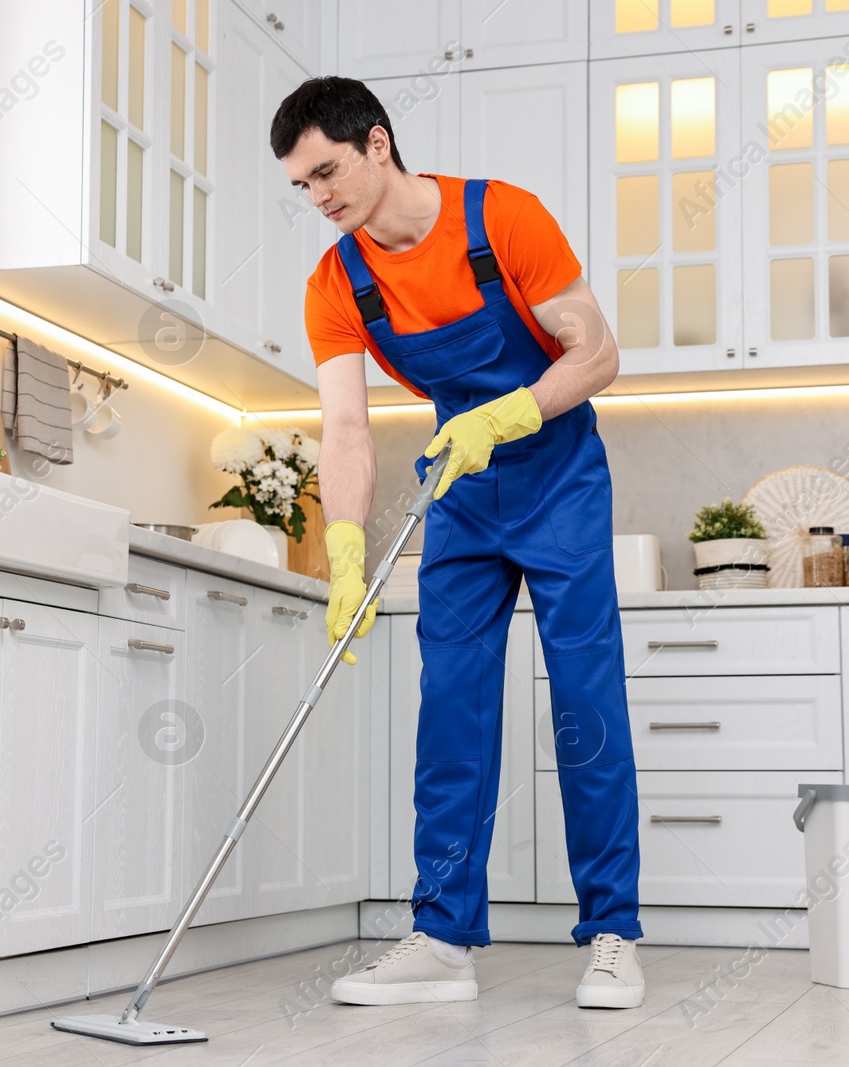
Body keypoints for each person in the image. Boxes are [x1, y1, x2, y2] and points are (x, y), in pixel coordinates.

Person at [270, 77, 644, 1011]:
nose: (319, 197)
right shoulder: (335, 283)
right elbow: (348, 430)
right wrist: (345, 553)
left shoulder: (500, 217)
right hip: (462, 496)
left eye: (327, 170)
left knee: (585, 699)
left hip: (559, 480)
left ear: (378, 144)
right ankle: (441, 937)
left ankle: (611, 934)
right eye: (301, 185)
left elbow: (596, 352)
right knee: (452, 714)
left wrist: (505, 415)